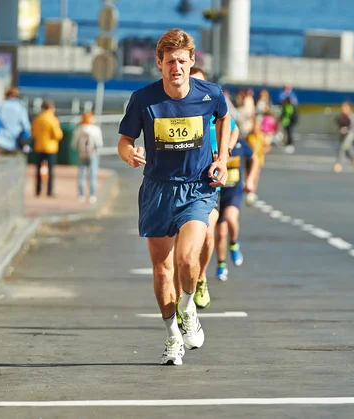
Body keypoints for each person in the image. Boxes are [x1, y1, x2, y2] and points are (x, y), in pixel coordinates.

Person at [117, 28, 231, 366]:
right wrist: (129, 154)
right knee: (162, 270)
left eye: (182, 61)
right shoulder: (143, 99)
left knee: (185, 260)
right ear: (159, 63)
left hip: (197, 187)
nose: (176, 68)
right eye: (169, 62)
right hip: (157, 189)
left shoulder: (210, 94)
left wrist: (221, 157)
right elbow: (124, 140)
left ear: (192, 61)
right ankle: (172, 337)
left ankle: (187, 305)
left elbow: (225, 117)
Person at [179, 66, 240, 310]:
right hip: (180, 182)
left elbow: (233, 129)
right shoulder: (177, 108)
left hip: (209, 184)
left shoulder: (214, 108)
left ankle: (201, 277)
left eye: (200, 84)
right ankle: (180, 298)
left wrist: (223, 154)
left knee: (206, 232)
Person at [215, 138, 260, 281]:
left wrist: (250, 180)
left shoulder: (240, 144)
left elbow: (254, 159)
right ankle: (221, 264)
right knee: (221, 233)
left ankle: (234, 244)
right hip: (216, 193)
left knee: (230, 218)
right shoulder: (212, 142)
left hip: (234, 191)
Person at [32, 99, 63, 197]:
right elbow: (57, 134)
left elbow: (33, 132)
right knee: (50, 171)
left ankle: (38, 190)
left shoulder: (38, 118)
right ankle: (49, 191)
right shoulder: (52, 119)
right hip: (50, 147)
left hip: (39, 146)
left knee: (38, 170)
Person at [72, 112, 103, 204]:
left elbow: (74, 143)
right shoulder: (96, 129)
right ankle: (92, 195)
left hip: (82, 154)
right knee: (93, 174)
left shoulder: (79, 129)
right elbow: (99, 143)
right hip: (93, 154)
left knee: (81, 173)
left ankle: (81, 194)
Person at [0, 87, 32, 153]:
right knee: (13, 162)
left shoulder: (0, 105)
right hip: (15, 141)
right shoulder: (20, 106)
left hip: (0, 140)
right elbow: (26, 125)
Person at [245, 116, 270, 206]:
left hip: (258, 160)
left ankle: (252, 192)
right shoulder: (249, 136)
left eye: (257, 126)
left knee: (255, 176)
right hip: (249, 159)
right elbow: (245, 145)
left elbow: (267, 146)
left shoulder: (262, 136)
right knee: (248, 175)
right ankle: (249, 190)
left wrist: (263, 150)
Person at [333, 101, 354, 173]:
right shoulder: (341, 115)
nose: (343, 109)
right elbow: (338, 122)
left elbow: (352, 127)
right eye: (343, 107)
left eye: (345, 107)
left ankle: (339, 163)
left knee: (343, 147)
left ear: (349, 108)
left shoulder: (352, 116)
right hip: (343, 134)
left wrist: (345, 130)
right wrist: (341, 129)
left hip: (350, 134)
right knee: (348, 148)